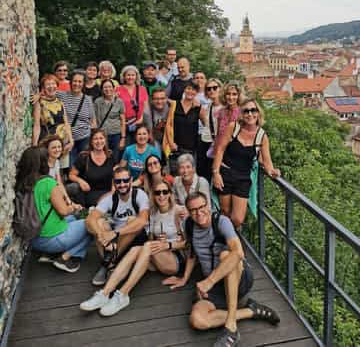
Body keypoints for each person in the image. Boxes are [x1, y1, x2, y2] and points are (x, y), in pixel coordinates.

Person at [163, 192, 280, 347]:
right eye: (193, 210)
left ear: (208, 206)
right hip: (215, 288)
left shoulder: (221, 222)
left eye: (202, 207)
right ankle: (251, 311)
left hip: (239, 278)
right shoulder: (189, 225)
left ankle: (231, 327)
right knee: (197, 320)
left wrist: (208, 282)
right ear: (189, 212)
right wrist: (184, 278)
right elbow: (192, 252)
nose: (199, 212)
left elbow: (238, 253)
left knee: (227, 255)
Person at [80, 179, 186, 316]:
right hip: (159, 255)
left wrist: (168, 244)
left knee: (146, 246)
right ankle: (104, 293)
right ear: (153, 195)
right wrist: (157, 241)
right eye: (157, 192)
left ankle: (123, 293)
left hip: (176, 259)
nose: (161, 195)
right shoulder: (153, 214)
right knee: (136, 249)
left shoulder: (179, 212)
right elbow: (151, 240)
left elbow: (188, 243)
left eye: (165, 192)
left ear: (170, 194)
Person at [16, 146, 90, 273]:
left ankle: (50, 255)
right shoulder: (47, 183)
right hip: (50, 239)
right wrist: (73, 207)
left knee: (73, 218)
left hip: (33, 237)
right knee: (90, 223)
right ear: (43, 163)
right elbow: (63, 211)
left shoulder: (22, 182)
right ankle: (66, 258)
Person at [212, 99, 280, 229]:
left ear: (258, 113)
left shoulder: (262, 136)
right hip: (225, 173)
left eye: (253, 110)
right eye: (246, 111)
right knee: (225, 212)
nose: (250, 114)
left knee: (237, 219)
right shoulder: (234, 127)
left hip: (243, 177)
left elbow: (266, 162)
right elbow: (220, 149)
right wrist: (216, 173)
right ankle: (227, 241)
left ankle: (229, 237)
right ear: (241, 114)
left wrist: (273, 171)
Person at [84, 167, 149, 286]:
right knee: (98, 223)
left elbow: (143, 220)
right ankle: (110, 262)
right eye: (118, 181)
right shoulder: (110, 198)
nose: (122, 184)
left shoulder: (140, 194)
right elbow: (90, 219)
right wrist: (101, 235)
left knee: (133, 221)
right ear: (114, 183)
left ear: (131, 180)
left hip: (134, 238)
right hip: (113, 243)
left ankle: (107, 263)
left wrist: (115, 233)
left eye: (125, 180)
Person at [164, 80, 207, 175]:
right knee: (175, 176)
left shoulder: (199, 109)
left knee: (188, 177)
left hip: (191, 149)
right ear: (184, 89)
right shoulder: (175, 105)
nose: (190, 91)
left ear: (196, 92)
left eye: (193, 90)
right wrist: (171, 143)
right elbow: (168, 125)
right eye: (188, 88)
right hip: (175, 148)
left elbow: (208, 126)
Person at [68, 128, 115, 208]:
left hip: (107, 193)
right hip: (89, 194)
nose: (99, 142)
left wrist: (113, 189)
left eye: (101, 138)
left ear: (105, 140)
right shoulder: (84, 156)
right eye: (95, 139)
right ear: (91, 141)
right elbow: (71, 175)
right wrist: (80, 181)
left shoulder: (110, 155)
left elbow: (114, 175)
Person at [59, 69, 96, 167]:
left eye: (80, 81)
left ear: (83, 84)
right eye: (75, 81)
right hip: (68, 139)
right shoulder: (62, 95)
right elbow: (47, 94)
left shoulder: (88, 99)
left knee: (82, 166)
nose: (77, 84)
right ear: (70, 82)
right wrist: (38, 95)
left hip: (84, 138)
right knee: (69, 166)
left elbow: (92, 120)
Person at [32, 74, 73, 158]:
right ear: (43, 88)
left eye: (53, 84)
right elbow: (36, 126)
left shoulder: (60, 102)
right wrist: (34, 146)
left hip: (62, 144)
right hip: (47, 143)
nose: (51, 86)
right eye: (48, 84)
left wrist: (71, 140)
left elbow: (66, 123)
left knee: (60, 169)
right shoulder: (39, 103)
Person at [197, 78, 223, 183]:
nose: (211, 90)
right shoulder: (207, 107)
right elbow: (206, 125)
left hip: (219, 146)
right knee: (205, 177)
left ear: (220, 89)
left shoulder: (225, 107)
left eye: (214, 88)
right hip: (206, 144)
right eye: (208, 89)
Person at [94, 79, 126, 162]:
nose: (107, 89)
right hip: (102, 135)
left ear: (114, 88)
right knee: (103, 157)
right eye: (105, 87)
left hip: (116, 134)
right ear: (102, 89)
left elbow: (123, 120)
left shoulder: (119, 102)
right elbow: (95, 119)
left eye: (109, 87)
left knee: (115, 158)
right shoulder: (97, 102)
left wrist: (123, 138)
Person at [116, 65, 148, 145]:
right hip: (124, 125)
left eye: (133, 75)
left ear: (136, 76)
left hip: (139, 124)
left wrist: (141, 118)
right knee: (125, 149)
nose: (130, 77)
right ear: (124, 76)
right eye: (128, 75)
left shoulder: (142, 89)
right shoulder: (118, 89)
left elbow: (146, 107)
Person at [215, 82, 244, 150]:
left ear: (239, 96)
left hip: (237, 150)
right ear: (224, 95)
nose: (231, 97)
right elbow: (218, 134)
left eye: (234, 94)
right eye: (228, 94)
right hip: (222, 149)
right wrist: (216, 149)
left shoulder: (242, 112)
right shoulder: (221, 112)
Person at [142, 87, 170, 154]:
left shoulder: (171, 106)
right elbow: (150, 133)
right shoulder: (147, 111)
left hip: (169, 137)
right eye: (156, 99)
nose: (159, 101)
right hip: (155, 137)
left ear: (166, 98)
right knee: (155, 153)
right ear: (152, 99)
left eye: (162, 98)